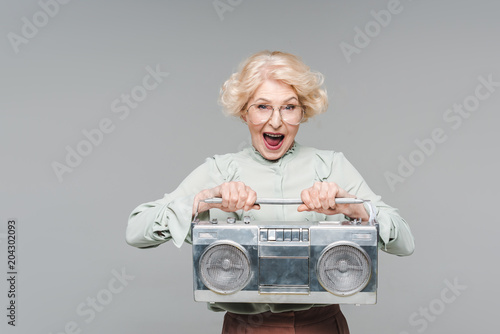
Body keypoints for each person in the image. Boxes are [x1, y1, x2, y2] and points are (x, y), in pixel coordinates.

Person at [126, 50, 415, 333]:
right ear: (244, 112)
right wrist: (203, 199)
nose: (276, 121)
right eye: (263, 106)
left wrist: (356, 209)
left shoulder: (331, 166)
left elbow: (405, 242)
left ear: (303, 112)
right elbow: (136, 230)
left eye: (289, 107)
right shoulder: (221, 170)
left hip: (320, 325)